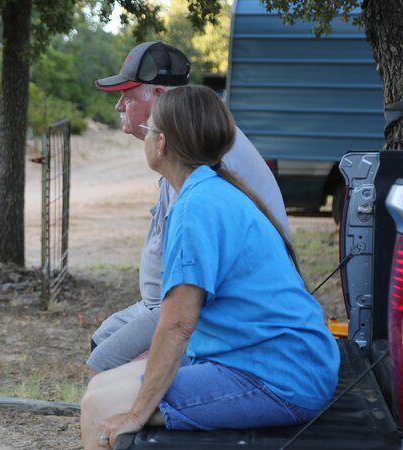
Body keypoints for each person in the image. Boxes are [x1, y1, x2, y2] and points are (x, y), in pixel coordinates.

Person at [80, 85, 339, 449]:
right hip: (280, 361)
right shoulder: (212, 188)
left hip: (277, 377)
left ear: (161, 144)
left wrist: (138, 412)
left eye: (150, 129)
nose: (146, 136)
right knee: (100, 385)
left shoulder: (196, 206)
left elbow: (178, 325)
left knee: (98, 405)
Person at [87, 41, 290, 376]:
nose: (118, 107)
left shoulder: (201, 158)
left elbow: (202, 285)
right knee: (102, 343)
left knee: (106, 365)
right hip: (173, 302)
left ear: (161, 97)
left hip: (227, 313)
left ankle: (129, 419)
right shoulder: (188, 144)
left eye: (128, 95)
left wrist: (164, 350)